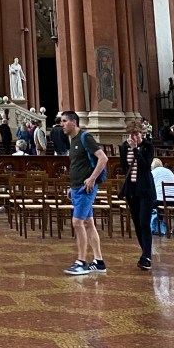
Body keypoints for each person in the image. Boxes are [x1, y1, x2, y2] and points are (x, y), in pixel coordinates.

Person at [60, 110, 108, 276]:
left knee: (77, 223)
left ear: (73, 122)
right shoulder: (73, 140)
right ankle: (99, 261)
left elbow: (103, 158)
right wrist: (72, 187)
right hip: (77, 188)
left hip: (85, 188)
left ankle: (81, 261)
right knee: (88, 223)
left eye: (64, 121)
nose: (62, 124)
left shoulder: (85, 137)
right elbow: (78, 165)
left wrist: (92, 179)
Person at [119, 120, 156, 270]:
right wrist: (130, 149)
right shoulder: (124, 147)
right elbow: (124, 167)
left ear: (142, 133)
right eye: (131, 134)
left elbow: (145, 166)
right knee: (137, 223)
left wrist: (135, 150)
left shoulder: (148, 147)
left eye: (136, 134)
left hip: (145, 190)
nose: (134, 137)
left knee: (144, 222)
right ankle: (145, 253)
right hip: (132, 191)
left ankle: (146, 256)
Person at [151, 157, 174, 235]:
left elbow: (151, 188)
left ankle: (159, 227)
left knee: (150, 204)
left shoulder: (153, 172)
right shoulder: (169, 171)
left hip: (163, 201)